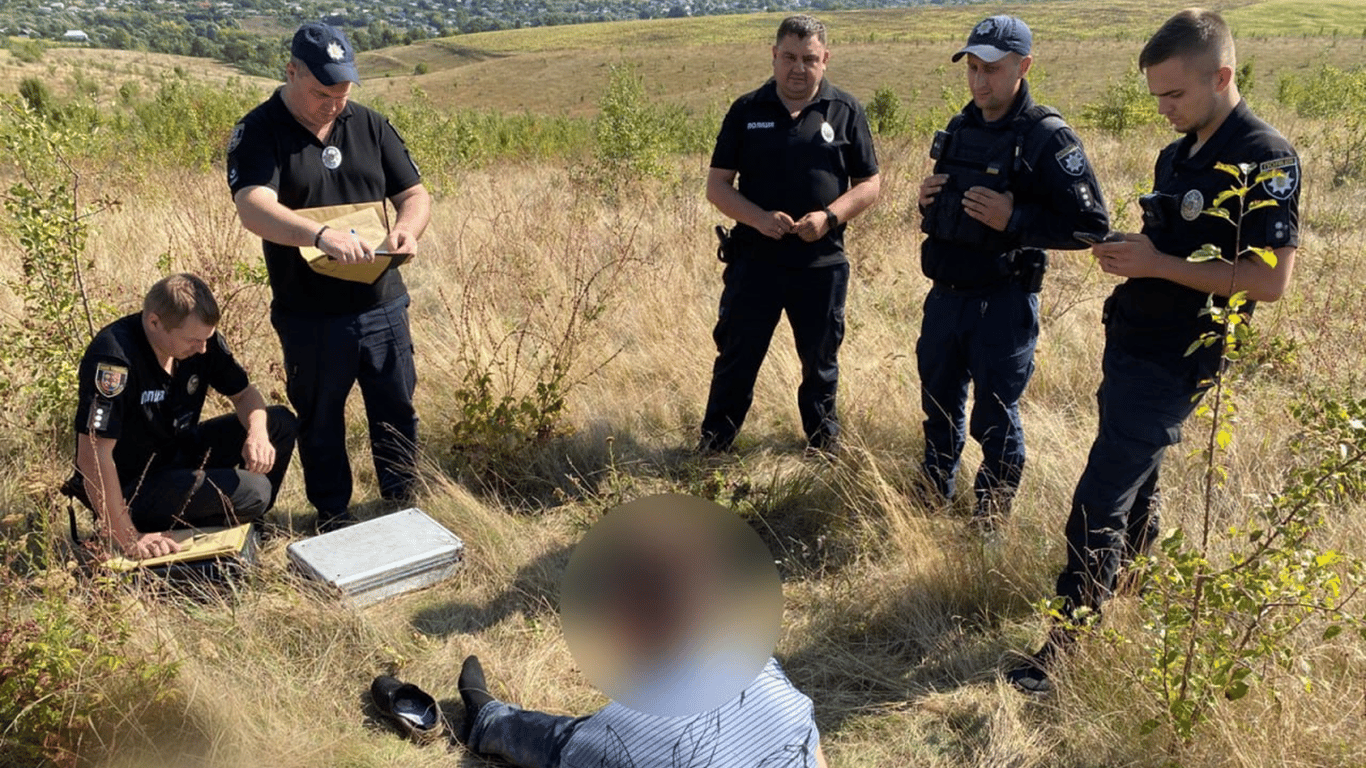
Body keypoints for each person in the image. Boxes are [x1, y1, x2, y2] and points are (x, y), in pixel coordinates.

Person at [1008, 8, 1300, 693]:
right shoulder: (1179, 153)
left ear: (1221, 76)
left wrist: (1157, 263)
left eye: (1174, 94)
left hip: (1180, 357)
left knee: (1098, 498)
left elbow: (1269, 280)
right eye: (1156, 95)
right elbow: (1172, 246)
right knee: (1136, 486)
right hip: (1134, 339)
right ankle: (1135, 596)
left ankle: (1067, 650)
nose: (1163, 108)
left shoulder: (1264, 156)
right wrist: (1131, 255)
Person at [227, 21, 432, 530]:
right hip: (311, 316)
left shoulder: (370, 125)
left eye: (343, 92)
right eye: (323, 93)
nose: (334, 104)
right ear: (292, 72)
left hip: (382, 303)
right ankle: (333, 517)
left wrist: (407, 230)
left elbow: (414, 193)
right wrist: (320, 236)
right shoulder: (260, 131)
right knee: (320, 421)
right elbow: (253, 206)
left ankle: (403, 501)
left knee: (396, 409)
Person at [916, 15, 1109, 526]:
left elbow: (1091, 226)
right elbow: (950, 211)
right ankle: (932, 500)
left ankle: (990, 520)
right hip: (945, 297)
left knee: (995, 419)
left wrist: (1015, 220)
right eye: (972, 68)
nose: (979, 82)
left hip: (1002, 302)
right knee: (938, 407)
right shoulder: (961, 127)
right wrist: (928, 202)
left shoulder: (1047, 137)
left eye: (992, 69)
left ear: (1023, 67)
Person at [698, 14, 880, 456]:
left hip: (821, 265)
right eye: (790, 57)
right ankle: (715, 445)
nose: (799, 68)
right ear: (774, 55)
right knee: (737, 357)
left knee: (820, 363)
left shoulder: (846, 110)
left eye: (810, 59)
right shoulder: (747, 110)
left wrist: (830, 218)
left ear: (825, 59)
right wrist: (759, 218)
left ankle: (823, 445)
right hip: (754, 262)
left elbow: (870, 184)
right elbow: (717, 186)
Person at [69, 273, 297, 560]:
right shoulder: (114, 359)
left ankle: (246, 524)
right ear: (154, 322)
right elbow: (93, 454)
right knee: (254, 491)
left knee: (278, 423)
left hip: (180, 451)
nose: (202, 349)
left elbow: (244, 395)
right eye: (193, 340)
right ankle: (144, 526)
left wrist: (258, 435)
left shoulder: (201, 341)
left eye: (207, 339)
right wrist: (129, 538)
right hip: (136, 484)